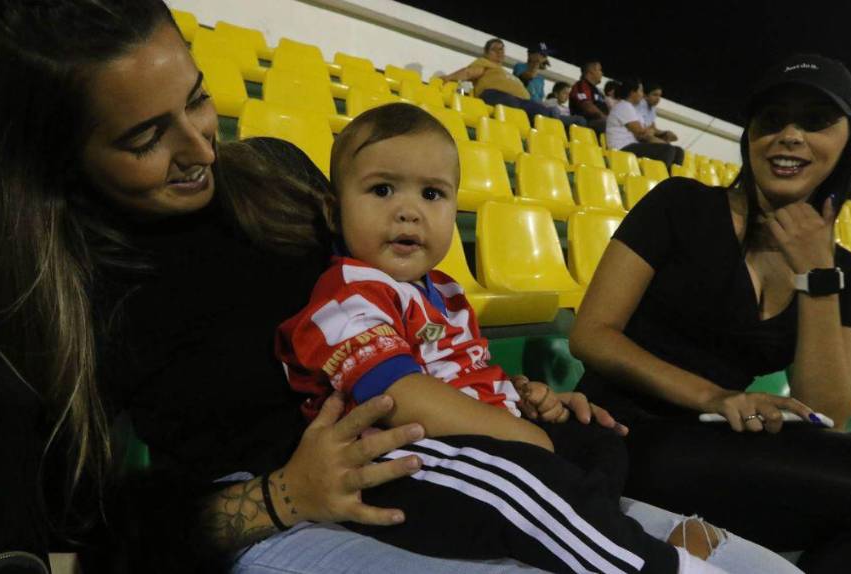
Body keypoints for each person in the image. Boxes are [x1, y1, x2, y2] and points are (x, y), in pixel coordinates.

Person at [0, 2, 590, 573]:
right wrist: (282, 498)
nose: (203, 147)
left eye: (197, 98)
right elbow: (94, 542)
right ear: (53, 159)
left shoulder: (279, 178)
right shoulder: (56, 302)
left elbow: (393, 319)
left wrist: (500, 394)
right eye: (146, 137)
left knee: (645, 536)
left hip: (431, 463)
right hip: (280, 515)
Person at [276, 102, 805, 574]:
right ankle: (656, 565)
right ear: (334, 211)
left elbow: (469, 374)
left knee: (599, 441)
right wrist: (517, 434)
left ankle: (589, 524)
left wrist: (522, 398)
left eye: (432, 194)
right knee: (522, 482)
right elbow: (401, 394)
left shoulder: (443, 291)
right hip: (401, 462)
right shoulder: (347, 295)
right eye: (382, 189)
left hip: (476, 445)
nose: (408, 210)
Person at [570, 54, 851, 573]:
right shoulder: (679, 205)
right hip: (625, 433)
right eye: (772, 120)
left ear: (848, 141)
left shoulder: (838, 267)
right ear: (749, 135)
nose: (790, 135)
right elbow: (592, 334)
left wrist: (815, 276)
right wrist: (715, 396)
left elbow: (828, 411)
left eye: (816, 121)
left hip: (722, 441)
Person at [442, 38, 586, 128]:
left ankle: (559, 120)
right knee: (513, 105)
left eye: (502, 50)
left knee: (540, 110)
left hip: (522, 100)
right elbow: (468, 73)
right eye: (495, 49)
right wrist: (447, 78)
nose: (500, 52)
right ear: (486, 52)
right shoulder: (484, 62)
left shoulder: (504, 71)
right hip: (496, 94)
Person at [606, 77, 685, 169]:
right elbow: (642, 134)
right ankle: (660, 178)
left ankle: (670, 178)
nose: (642, 95)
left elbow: (647, 132)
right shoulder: (624, 106)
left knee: (678, 151)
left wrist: (655, 137)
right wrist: (661, 142)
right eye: (640, 91)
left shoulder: (633, 109)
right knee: (667, 150)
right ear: (632, 92)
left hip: (633, 145)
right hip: (621, 148)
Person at [569, 59, 609, 133]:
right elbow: (587, 106)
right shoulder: (581, 85)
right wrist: (605, 118)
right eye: (599, 70)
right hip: (587, 123)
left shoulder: (598, 91)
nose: (602, 73)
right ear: (591, 71)